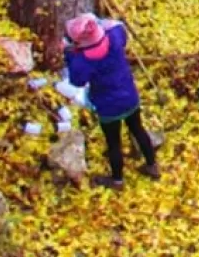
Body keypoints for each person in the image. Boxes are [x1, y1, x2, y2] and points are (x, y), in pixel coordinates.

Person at [65, 13, 160, 190]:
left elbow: (77, 81)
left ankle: (117, 180)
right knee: (138, 129)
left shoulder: (82, 61)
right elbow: (119, 27)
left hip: (108, 107)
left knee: (113, 142)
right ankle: (152, 165)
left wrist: (69, 55)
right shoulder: (115, 39)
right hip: (129, 96)